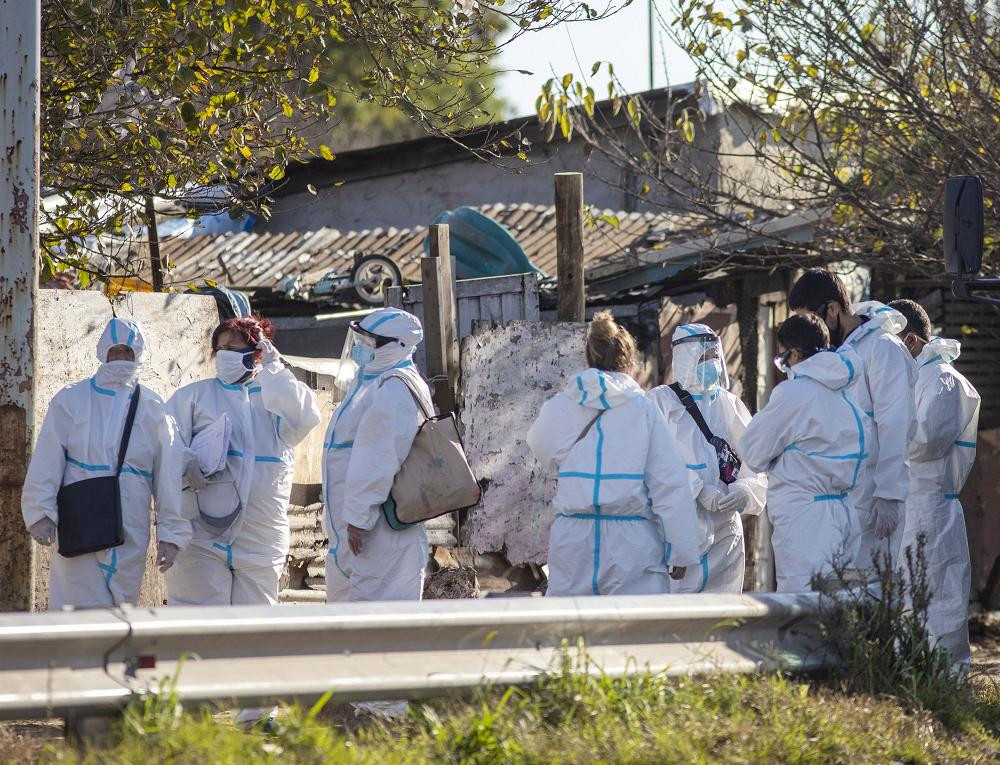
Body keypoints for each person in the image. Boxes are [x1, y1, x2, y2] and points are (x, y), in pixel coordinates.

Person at [526, 312, 700, 596]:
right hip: (630, 543)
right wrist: (681, 550)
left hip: (573, 537)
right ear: (630, 363)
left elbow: (538, 444)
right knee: (628, 632)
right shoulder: (643, 409)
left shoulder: (562, 404)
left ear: (589, 357)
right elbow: (669, 483)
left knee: (569, 629)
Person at [21, 317, 189, 609]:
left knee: (119, 605)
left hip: (130, 519)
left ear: (139, 354)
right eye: (115, 352)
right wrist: (40, 511)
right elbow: (48, 456)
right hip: (80, 513)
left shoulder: (153, 408)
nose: (121, 359)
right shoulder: (71, 399)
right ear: (102, 353)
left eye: (127, 352)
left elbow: (167, 476)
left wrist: (171, 535)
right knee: (73, 601)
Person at [166, 316, 321, 607]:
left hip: (260, 538)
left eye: (233, 347)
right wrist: (185, 461)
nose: (224, 354)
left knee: (253, 631)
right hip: (202, 535)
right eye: (220, 348)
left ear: (256, 352)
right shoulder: (195, 397)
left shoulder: (275, 396)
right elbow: (164, 443)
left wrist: (275, 372)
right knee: (198, 625)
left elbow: (305, 417)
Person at [788, 269, 916, 569]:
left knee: (869, 595)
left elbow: (896, 423)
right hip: (838, 502)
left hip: (873, 500)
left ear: (832, 309)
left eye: (814, 319)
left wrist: (888, 494)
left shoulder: (883, 348)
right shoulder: (837, 352)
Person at [739, 314, 864, 592]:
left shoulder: (793, 393)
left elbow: (753, 452)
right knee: (838, 603)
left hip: (803, 517)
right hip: (845, 512)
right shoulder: (847, 391)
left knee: (802, 602)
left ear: (794, 354)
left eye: (783, 357)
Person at [888, 299, 979, 667]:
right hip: (912, 505)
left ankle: (946, 692)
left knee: (937, 602)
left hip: (931, 508)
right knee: (909, 602)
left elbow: (924, 443)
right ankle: (912, 688)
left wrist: (881, 429)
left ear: (910, 342)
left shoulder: (943, 381)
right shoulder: (919, 378)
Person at [322, 307, 434, 603]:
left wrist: (358, 517)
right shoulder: (374, 382)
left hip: (379, 529)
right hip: (365, 528)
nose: (361, 350)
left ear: (399, 346)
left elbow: (378, 457)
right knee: (346, 621)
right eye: (360, 341)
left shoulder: (394, 388)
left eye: (371, 344)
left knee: (375, 622)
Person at [648, 324, 767, 593]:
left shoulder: (729, 403)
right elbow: (650, 462)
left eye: (715, 356)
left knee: (723, 617)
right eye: (703, 358)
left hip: (726, 534)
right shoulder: (660, 402)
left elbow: (756, 457)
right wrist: (698, 489)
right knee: (678, 615)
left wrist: (743, 491)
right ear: (684, 360)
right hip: (681, 534)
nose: (711, 364)